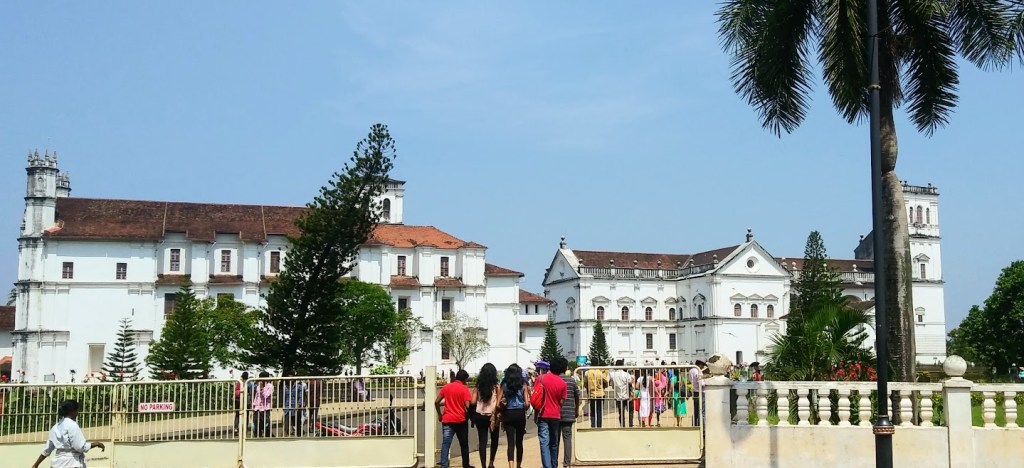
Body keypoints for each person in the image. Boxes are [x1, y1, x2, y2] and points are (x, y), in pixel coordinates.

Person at [32, 400, 105, 468]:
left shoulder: (56, 427)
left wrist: (36, 464)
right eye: (77, 410)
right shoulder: (72, 425)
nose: (78, 413)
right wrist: (96, 444)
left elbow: (47, 449)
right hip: (72, 463)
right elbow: (80, 447)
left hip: (57, 464)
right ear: (72, 411)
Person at [534, 357, 568, 468]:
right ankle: (554, 465)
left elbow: (535, 396)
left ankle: (547, 466)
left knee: (544, 442)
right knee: (554, 442)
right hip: (555, 415)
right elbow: (561, 402)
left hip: (542, 414)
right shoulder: (563, 384)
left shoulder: (541, 378)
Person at [436, 368, 472, 468]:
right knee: (464, 444)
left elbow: (436, 401)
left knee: (446, 444)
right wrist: (469, 416)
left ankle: (444, 465)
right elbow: (468, 405)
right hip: (461, 420)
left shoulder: (446, 387)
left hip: (447, 419)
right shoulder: (464, 389)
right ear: (464, 379)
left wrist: (439, 414)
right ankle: (466, 464)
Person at [471, 363, 501, 468]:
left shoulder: (478, 386)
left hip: (480, 415)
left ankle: (483, 465)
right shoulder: (496, 386)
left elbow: (473, 402)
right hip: (493, 416)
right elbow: (499, 402)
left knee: (482, 441)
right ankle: (491, 463)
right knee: (494, 439)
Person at [500, 363, 529, 468]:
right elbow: (527, 403)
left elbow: (498, 402)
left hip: (508, 413)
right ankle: (518, 465)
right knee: (519, 442)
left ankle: (510, 466)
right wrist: (524, 407)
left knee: (510, 443)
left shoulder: (504, 384)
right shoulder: (523, 384)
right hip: (520, 413)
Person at [556, 362, 580, 468]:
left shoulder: (555, 380)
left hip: (556, 413)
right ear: (566, 368)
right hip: (569, 413)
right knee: (567, 439)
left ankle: (554, 462)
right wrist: (576, 409)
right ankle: (567, 463)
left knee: (555, 440)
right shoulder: (571, 380)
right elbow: (577, 395)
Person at [610, 361, 634, 428]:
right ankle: (630, 424)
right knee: (630, 410)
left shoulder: (613, 375)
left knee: (621, 412)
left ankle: (622, 425)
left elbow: (612, 385)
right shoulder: (626, 374)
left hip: (618, 396)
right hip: (627, 395)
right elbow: (630, 382)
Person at [252, 371, 274, 438]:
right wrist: (254, 404)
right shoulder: (258, 386)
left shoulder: (270, 386)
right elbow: (256, 396)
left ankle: (268, 434)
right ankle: (257, 434)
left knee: (265, 422)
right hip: (258, 407)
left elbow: (266, 396)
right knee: (256, 421)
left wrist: (262, 388)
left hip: (265, 407)